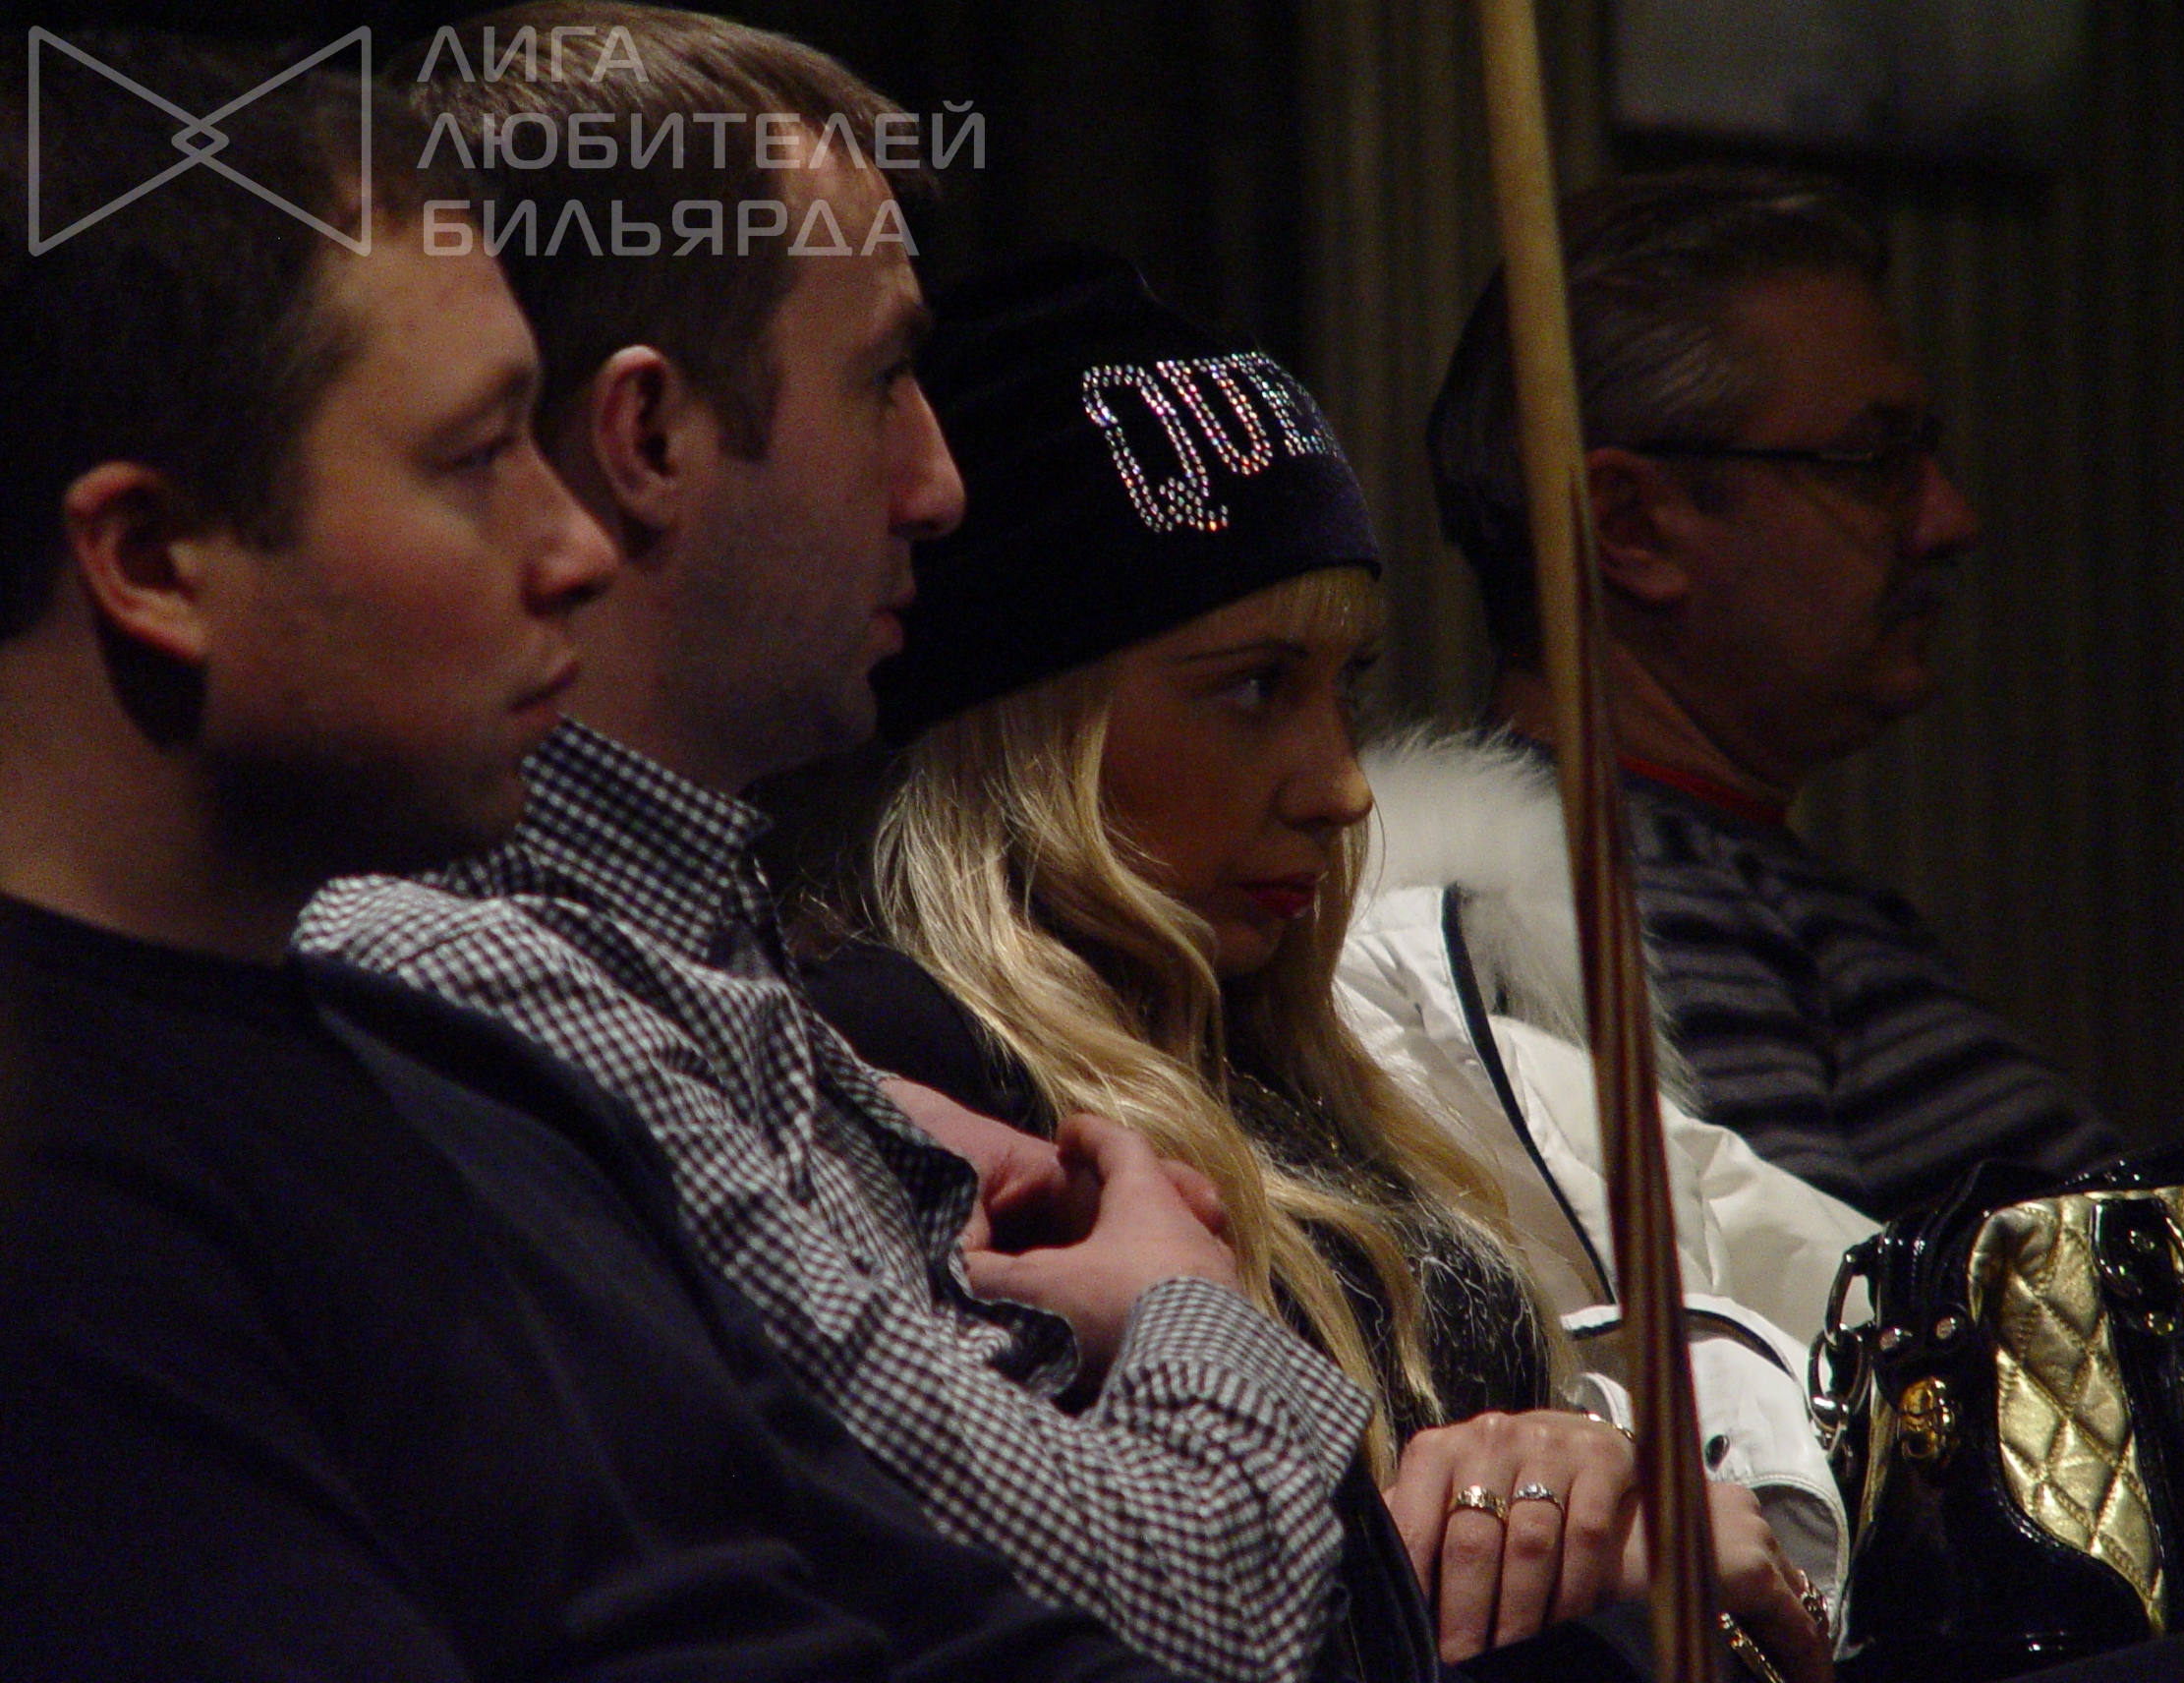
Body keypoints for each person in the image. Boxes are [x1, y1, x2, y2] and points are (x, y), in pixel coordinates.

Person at [0, 32, 1205, 1683]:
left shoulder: (452, 1099)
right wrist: (1198, 1319)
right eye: (476, 456)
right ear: (152, 558)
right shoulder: (75, 1196)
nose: (573, 543)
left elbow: (987, 1637)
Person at [297, 11, 1388, 1683]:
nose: (940, 485)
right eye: (884, 382)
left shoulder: (711, 951)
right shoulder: (487, 982)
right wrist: (1190, 1296)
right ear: (650, 439)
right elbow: (1192, 1619)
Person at [801, 247, 1839, 1683]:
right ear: (1029, 723)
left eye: (1343, 687)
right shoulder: (910, 1088)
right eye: (1252, 689)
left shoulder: (1327, 1053)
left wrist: (1595, 1474)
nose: (1343, 785)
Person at [1407, 169, 2124, 1221]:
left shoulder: (1736, 883)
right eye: (1871, 458)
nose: (1948, 518)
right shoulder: (1593, 914)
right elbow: (1800, 1321)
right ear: (1631, 525)